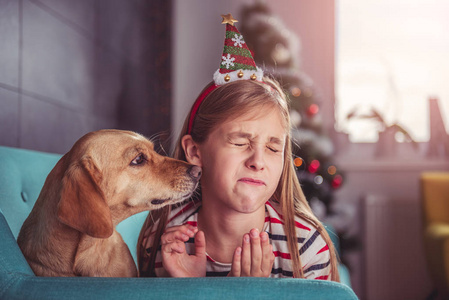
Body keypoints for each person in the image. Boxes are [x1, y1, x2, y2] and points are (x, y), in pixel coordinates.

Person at [137, 14, 340, 281]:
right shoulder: (164, 242)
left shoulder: (306, 249)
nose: (258, 161)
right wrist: (189, 291)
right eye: (240, 142)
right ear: (195, 152)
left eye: (272, 147)